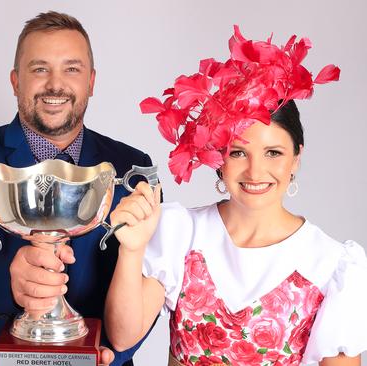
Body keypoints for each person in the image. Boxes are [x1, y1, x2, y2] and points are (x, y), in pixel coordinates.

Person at [104, 27, 366, 365]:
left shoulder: (329, 264)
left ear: (296, 158)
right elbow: (124, 336)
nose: (256, 172)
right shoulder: (182, 234)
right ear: (217, 157)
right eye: (238, 153)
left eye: (273, 153)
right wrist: (132, 249)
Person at [0, 11, 155, 366]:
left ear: (91, 82)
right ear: (16, 81)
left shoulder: (129, 169)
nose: (55, 85)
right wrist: (8, 283)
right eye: (40, 68)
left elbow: (151, 278)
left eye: (71, 69)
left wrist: (115, 351)